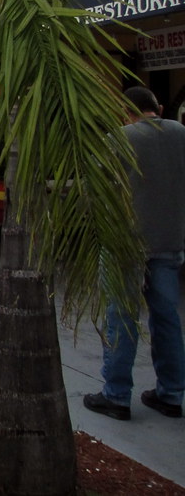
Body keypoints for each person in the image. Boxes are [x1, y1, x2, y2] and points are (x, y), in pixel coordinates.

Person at [84, 86, 185, 421]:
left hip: (125, 244)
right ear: (158, 107)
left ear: (126, 112)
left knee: (122, 317)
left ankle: (116, 395)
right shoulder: (180, 134)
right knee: (167, 317)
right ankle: (171, 394)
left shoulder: (120, 138)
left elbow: (96, 186)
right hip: (169, 239)